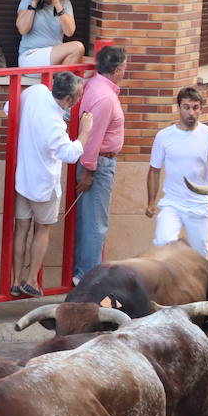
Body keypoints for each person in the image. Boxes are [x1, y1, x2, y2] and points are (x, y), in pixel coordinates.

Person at [11, 71, 93, 297]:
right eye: (77, 97)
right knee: (43, 229)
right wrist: (85, 132)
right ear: (68, 100)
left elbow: (10, 108)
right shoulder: (55, 124)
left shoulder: (35, 92)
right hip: (44, 184)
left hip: (22, 178)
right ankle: (31, 281)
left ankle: (16, 281)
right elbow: (70, 154)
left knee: (21, 230)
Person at [146, 86, 208, 257]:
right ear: (179, 108)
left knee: (199, 253)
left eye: (196, 107)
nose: (191, 112)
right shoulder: (164, 136)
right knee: (162, 243)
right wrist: (151, 203)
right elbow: (154, 170)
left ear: (201, 109)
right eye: (187, 107)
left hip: (199, 203)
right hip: (172, 202)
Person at [72, 45, 127, 282]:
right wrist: (89, 171)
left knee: (90, 222)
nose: (125, 70)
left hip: (96, 164)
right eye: (124, 66)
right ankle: (88, 278)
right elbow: (93, 137)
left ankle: (83, 274)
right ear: (116, 69)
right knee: (96, 225)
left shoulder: (94, 85)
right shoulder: (105, 98)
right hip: (99, 165)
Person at [15, 0, 86, 69]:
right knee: (77, 47)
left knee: (91, 65)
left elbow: (69, 32)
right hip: (31, 56)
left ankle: (58, 81)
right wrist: (34, 3)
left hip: (54, 58)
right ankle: (60, 82)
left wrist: (57, 3)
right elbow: (22, 29)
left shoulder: (64, 3)